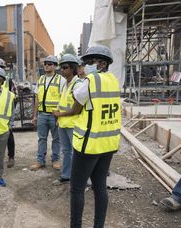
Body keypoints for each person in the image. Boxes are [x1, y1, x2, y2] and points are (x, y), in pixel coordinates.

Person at [64, 45, 121, 228]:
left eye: (88, 62)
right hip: (108, 144)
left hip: (88, 145)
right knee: (100, 186)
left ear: (101, 63)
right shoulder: (113, 80)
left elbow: (76, 101)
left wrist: (80, 83)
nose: (83, 66)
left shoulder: (90, 81)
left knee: (77, 189)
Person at [30, 55, 65, 171]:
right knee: (42, 139)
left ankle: (55, 160)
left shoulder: (61, 80)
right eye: (45, 64)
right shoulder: (40, 80)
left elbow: (64, 98)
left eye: (50, 64)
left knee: (56, 139)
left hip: (54, 115)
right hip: (42, 114)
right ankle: (40, 161)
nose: (46, 66)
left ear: (55, 66)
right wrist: (34, 116)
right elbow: (37, 99)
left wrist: (60, 114)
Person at [52, 54, 82, 185]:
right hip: (63, 124)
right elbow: (63, 102)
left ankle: (77, 178)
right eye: (62, 67)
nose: (62, 70)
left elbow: (77, 109)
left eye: (65, 67)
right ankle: (65, 175)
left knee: (76, 152)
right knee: (66, 151)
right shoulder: (65, 84)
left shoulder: (78, 84)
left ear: (73, 68)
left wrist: (59, 114)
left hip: (73, 124)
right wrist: (58, 116)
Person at [0, 58, 17, 168]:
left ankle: (11, 157)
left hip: (5, 114)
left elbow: (14, 96)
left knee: (9, 137)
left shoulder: (10, 81)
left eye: (0, 67)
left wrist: (10, 115)